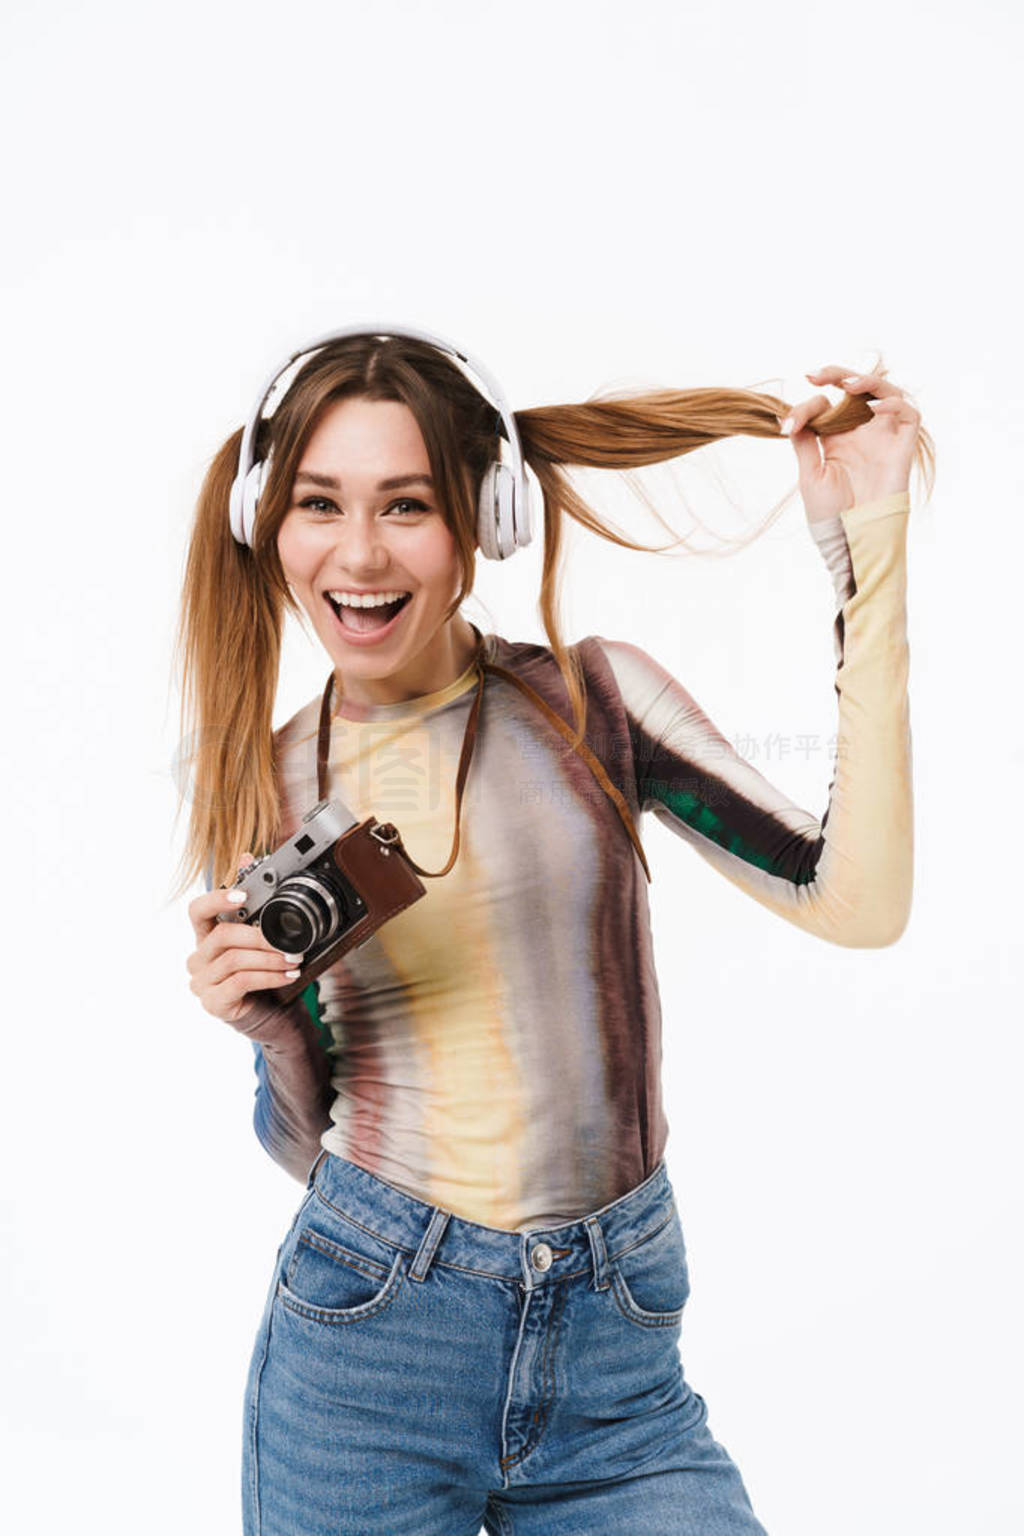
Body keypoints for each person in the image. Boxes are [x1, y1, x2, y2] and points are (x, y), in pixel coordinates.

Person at [174, 326, 930, 1535]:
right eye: (319, 503)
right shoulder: (276, 787)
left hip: (616, 1368)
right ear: (271, 521)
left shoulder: (594, 706)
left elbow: (858, 900)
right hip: (368, 1354)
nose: (357, 553)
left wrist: (869, 548)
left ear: (485, 516)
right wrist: (268, 1032)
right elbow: (305, 1145)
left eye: (406, 505)